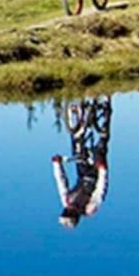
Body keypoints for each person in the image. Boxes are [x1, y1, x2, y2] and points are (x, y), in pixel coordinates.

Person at [51, 97, 111, 228]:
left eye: (65, 211)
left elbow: (61, 182)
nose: (68, 209)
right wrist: (103, 171)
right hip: (95, 175)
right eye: (69, 213)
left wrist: (57, 164)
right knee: (101, 145)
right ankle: (106, 112)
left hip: (82, 172)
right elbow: (100, 191)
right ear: (76, 215)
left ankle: (77, 115)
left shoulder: (66, 200)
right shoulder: (89, 209)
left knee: (77, 144)